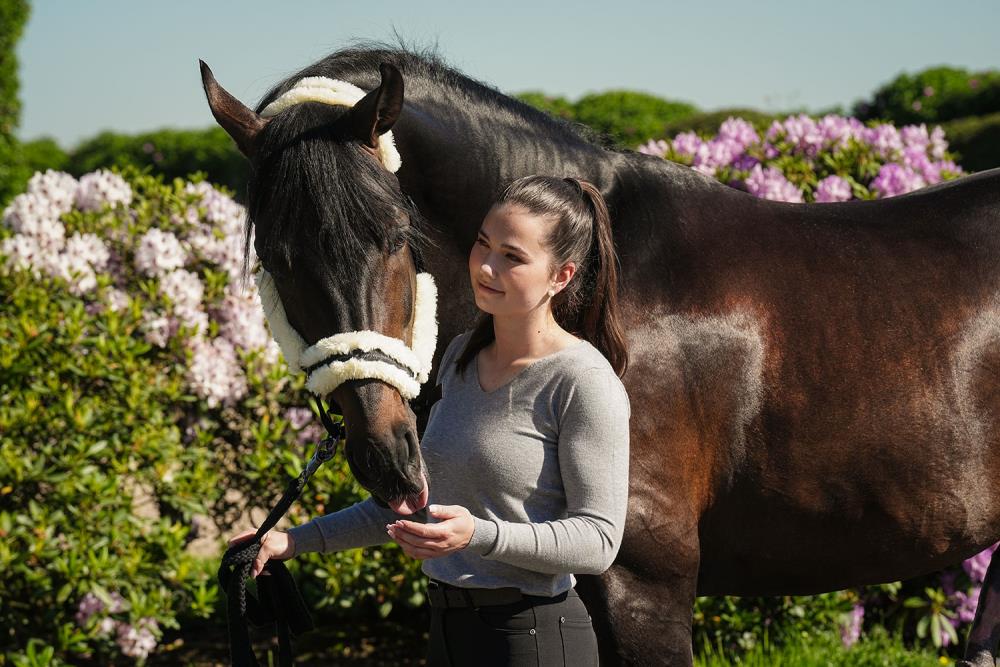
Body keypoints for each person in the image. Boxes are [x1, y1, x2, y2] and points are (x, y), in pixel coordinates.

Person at [228, 175, 631, 666]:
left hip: (534, 638)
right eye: (483, 243)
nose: (485, 266)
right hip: (447, 633)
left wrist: (479, 535)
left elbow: (598, 541)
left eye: (513, 256)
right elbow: (415, 507)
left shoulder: (582, 380)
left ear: (560, 277)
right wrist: (292, 540)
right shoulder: (460, 357)